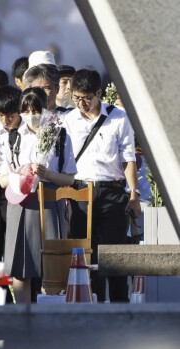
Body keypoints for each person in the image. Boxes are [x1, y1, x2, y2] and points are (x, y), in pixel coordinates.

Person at [65, 68, 140, 303]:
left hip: (111, 191)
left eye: (86, 98)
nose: (81, 103)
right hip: (80, 190)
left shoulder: (118, 118)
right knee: (83, 252)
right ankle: (89, 302)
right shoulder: (69, 119)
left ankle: (119, 305)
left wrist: (134, 194)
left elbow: (128, 159)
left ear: (99, 93)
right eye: (76, 98)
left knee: (114, 254)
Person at [0, 86, 76, 303]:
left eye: (36, 111)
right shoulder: (13, 138)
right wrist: (19, 176)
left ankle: (49, 320)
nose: (31, 116)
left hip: (50, 201)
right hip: (20, 203)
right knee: (22, 268)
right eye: (26, 111)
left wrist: (48, 173)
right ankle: (24, 318)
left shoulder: (60, 136)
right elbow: (2, 179)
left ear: (46, 109)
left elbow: (70, 178)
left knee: (51, 268)